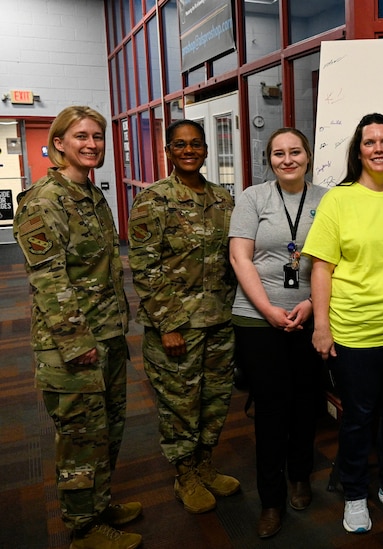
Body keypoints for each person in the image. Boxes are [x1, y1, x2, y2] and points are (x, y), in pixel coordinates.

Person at [13, 106, 142, 549]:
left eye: (98, 137)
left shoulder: (90, 194)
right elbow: (48, 278)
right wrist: (76, 342)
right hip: (72, 346)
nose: (92, 144)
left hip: (106, 337)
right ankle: (82, 529)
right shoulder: (44, 200)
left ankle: (98, 504)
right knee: (80, 438)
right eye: (81, 136)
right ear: (60, 142)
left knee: (106, 430)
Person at [302, 113, 383, 534]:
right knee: (357, 418)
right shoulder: (339, 200)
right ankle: (355, 494)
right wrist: (321, 326)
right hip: (353, 331)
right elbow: (321, 267)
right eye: (369, 142)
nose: (378, 148)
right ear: (358, 151)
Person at [128, 119, 239, 516]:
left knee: (215, 399)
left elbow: (233, 261)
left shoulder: (223, 199)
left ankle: (205, 463)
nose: (189, 151)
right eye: (180, 145)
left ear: (207, 150)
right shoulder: (153, 201)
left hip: (220, 323)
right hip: (176, 328)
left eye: (196, 144)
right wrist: (169, 324)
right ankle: (184, 474)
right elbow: (144, 267)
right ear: (168, 152)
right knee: (180, 404)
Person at [228, 128, 327, 538]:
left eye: (295, 152)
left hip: (312, 313)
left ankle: (300, 476)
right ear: (269, 159)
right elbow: (240, 256)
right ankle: (270, 499)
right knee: (270, 408)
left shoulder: (328, 199)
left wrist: (312, 307)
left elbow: (334, 259)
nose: (288, 159)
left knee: (307, 402)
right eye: (279, 153)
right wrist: (268, 309)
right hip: (257, 316)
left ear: (308, 156)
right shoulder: (253, 198)